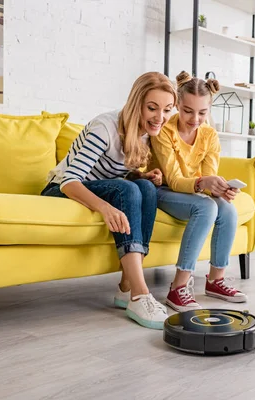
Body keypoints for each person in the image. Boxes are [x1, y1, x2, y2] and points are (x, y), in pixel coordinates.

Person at [41, 71, 176, 330]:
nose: (160, 117)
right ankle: (140, 294)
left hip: (93, 187)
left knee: (145, 188)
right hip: (59, 189)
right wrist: (104, 207)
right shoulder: (105, 127)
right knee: (127, 190)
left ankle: (127, 286)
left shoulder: (145, 131)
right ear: (137, 104)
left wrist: (140, 175)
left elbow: (110, 173)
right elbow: (71, 181)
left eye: (167, 110)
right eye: (152, 108)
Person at [148, 71, 248, 312]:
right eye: (187, 111)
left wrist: (220, 188)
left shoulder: (209, 135)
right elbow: (173, 179)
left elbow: (208, 173)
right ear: (177, 106)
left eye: (202, 113)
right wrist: (204, 183)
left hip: (191, 191)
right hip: (161, 189)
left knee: (227, 208)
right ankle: (178, 287)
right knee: (205, 206)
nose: (195, 119)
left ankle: (215, 280)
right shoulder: (164, 131)